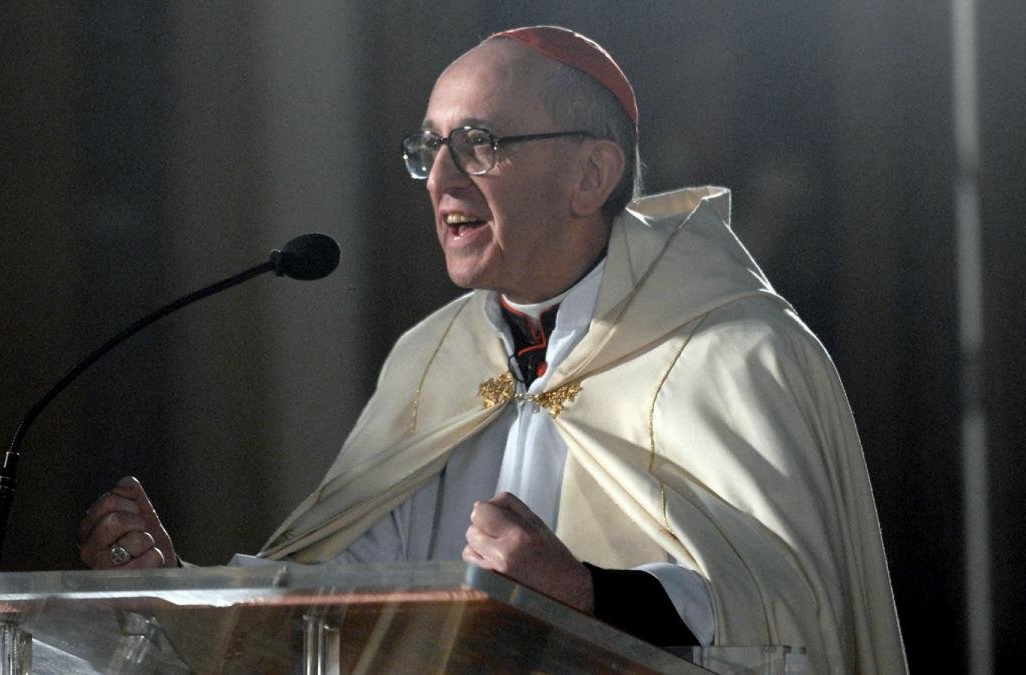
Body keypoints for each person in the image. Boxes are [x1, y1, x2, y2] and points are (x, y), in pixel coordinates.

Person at [78, 26, 906, 673]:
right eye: (428, 149)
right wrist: (182, 593)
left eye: (478, 143)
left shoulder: (738, 349)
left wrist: (584, 591)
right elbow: (351, 592)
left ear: (591, 174)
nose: (441, 181)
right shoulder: (432, 356)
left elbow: (790, 616)